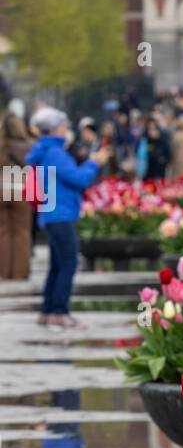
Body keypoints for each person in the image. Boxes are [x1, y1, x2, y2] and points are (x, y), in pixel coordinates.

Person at [26, 108, 110, 328]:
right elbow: (78, 179)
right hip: (60, 213)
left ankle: (48, 311)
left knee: (56, 264)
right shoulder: (55, 153)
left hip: (51, 212)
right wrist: (94, 163)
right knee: (69, 263)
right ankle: (60, 311)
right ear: (55, 129)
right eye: (64, 125)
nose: (67, 130)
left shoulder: (45, 151)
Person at [0, 98, 35, 280]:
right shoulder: (27, 147)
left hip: (1, 188)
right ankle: (20, 272)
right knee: (21, 231)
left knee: (3, 231)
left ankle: (3, 272)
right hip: (21, 188)